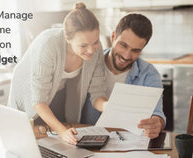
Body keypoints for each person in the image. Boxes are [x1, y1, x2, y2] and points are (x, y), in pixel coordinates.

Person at [8, 3, 107, 145]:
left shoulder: (95, 50)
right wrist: (61, 131)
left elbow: (97, 93)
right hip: (30, 93)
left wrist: (108, 106)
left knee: (59, 139)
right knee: (32, 139)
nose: (91, 50)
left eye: (96, 42)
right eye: (83, 46)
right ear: (68, 38)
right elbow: (38, 101)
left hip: (58, 90)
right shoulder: (48, 45)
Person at [81, 13, 166, 139]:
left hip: (128, 143)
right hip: (87, 141)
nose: (126, 55)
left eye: (135, 50)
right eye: (123, 45)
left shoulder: (149, 74)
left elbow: (157, 114)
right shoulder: (90, 63)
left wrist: (156, 123)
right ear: (113, 36)